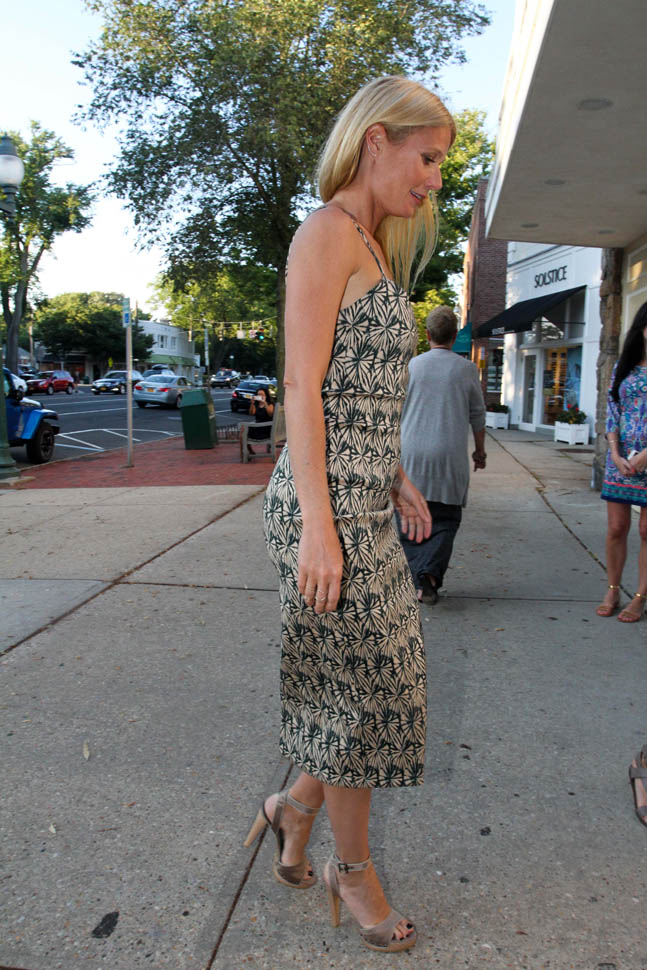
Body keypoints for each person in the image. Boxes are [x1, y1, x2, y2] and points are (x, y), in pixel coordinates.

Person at [244, 76, 454, 953]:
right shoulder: (324, 234)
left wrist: (396, 474)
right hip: (321, 512)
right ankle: (352, 870)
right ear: (376, 140)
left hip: (365, 500)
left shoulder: (373, 244)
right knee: (367, 696)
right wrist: (321, 528)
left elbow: (356, 390)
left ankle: (293, 809)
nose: (433, 180)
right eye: (426, 158)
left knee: (372, 691)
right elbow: (301, 385)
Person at [396, 305, 486, 603]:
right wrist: (480, 452)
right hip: (449, 456)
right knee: (446, 519)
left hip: (412, 454)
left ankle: (416, 576)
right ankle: (429, 576)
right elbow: (477, 416)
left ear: (427, 334)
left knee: (409, 518)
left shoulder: (411, 367)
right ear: (454, 335)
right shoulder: (467, 369)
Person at [597, 301, 647, 622]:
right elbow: (612, 409)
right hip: (621, 459)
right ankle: (613, 589)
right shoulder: (624, 366)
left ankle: (640, 597)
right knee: (617, 527)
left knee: (646, 530)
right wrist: (614, 453)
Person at [245, 385, 275, 455]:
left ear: (266, 396)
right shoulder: (256, 404)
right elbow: (251, 413)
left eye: (262, 394)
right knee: (243, 431)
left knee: (244, 433)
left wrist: (265, 404)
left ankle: (246, 452)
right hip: (258, 427)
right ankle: (248, 450)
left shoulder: (270, 404)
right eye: (258, 394)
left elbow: (271, 414)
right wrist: (252, 403)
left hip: (266, 429)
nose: (260, 396)